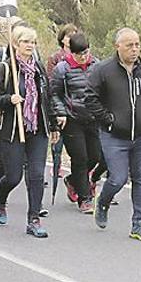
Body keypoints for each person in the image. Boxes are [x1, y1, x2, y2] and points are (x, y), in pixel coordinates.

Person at [84, 27, 141, 242]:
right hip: (113, 136)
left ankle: (139, 223)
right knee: (117, 179)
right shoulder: (103, 70)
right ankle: (103, 202)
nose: (134, 49)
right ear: (117, 46)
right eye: (129, 45)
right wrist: (108, 119)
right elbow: (90, 98)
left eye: (137, 44)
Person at [0, 26, 59, 238]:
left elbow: (47, 98)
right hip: (12, 129)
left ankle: (34, 219)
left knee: (37, 174)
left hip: (37, 128)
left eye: (33, 42)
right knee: (13, 176)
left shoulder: (38, 68)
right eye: (26, 42)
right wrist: (9, 99)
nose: (30, 46)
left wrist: (53, 125)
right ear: (16, 44)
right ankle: (0, 199)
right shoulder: (4, 68)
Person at [50, 33, 100, 214]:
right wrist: (60, 113)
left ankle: (73, 181)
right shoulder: (62, 69)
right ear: (71, 52)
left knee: (96, 156)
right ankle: (84, 198)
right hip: (72, 119)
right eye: (79, 54)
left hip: (93, 118)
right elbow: (54, 93)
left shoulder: (96, 66)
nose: (83, 57)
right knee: (80, 158)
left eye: (86, 52)